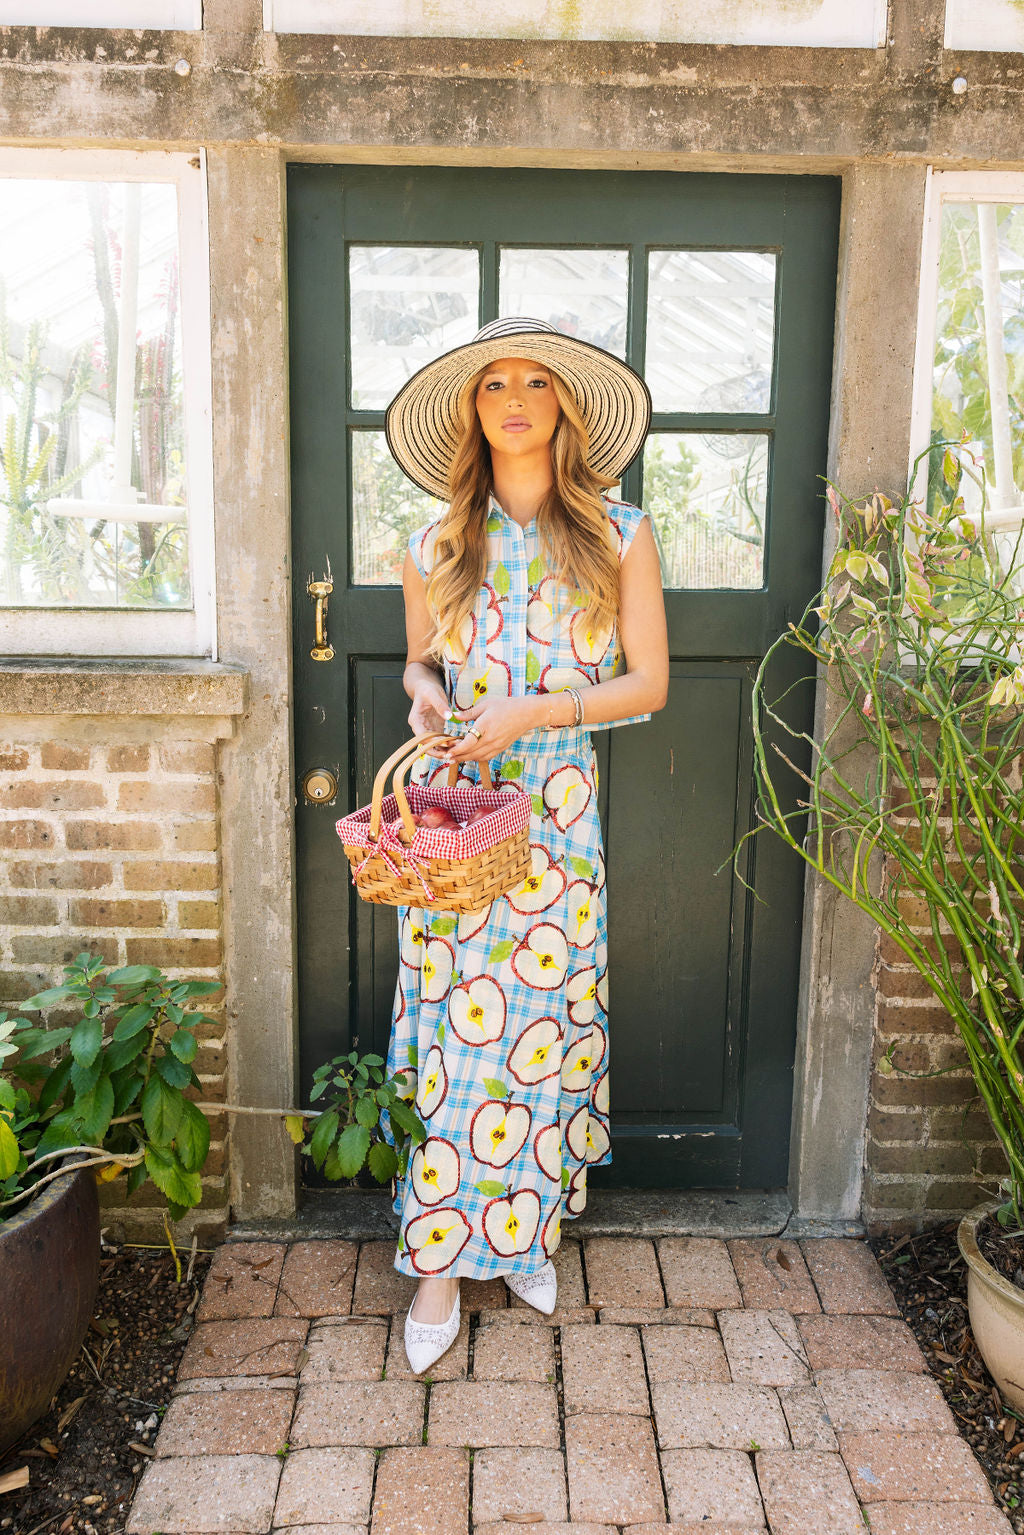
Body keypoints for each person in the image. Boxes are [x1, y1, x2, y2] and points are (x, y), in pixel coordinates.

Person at [381, 316, 669, 1373]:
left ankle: (528, 1226)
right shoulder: (432, 545)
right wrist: (427, 703)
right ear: (472, 410)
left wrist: (531, 716)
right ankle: (440, 1261)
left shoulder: (619, 532)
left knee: (540, 1019)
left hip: (555, 822)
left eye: (534, 381)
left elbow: (648, 683)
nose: (512, 397)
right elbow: (420, 665)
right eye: (493, 383)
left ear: (561, 407)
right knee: (460, 1031)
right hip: (455, 819)